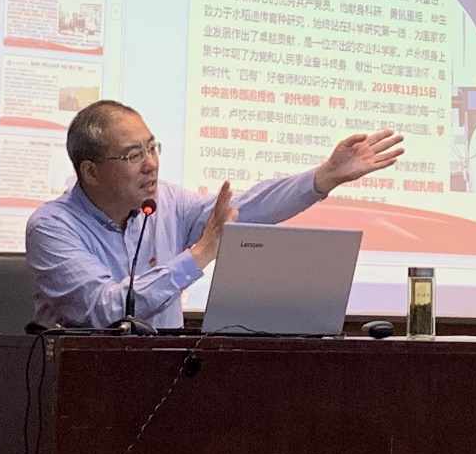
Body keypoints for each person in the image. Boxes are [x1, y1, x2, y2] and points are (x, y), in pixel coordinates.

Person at [26, 100, 404, 329]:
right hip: (84, 385)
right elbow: (106, 310)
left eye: (152, 148)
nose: (151, 164)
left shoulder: (168, 201)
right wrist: (201, 253)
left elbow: (243, 210)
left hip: (165, 375)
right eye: (133, 155)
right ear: (91, 171)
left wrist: (323, 177)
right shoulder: (53, 227)